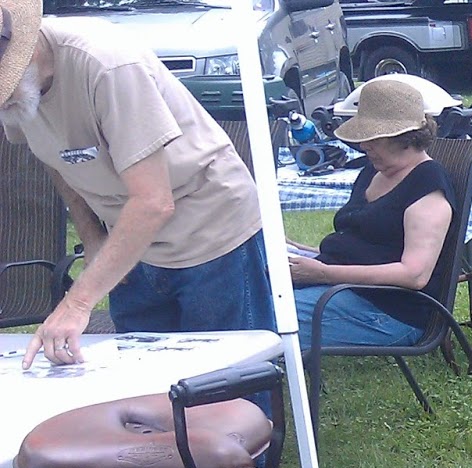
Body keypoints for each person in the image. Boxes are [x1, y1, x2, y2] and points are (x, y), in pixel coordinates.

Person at [0, 0, 272, 370]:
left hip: (210, 231)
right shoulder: (17, 96)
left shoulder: (107, 65)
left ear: (25, 49)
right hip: (129, 243)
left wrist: (77, 304)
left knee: (227, 390)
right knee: (146, 390)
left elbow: (153, 202)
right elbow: (58, 161)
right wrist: (94, 239)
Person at [288, 77, 456, 348]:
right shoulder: (373, 171)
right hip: (344, 291)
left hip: (388, 313)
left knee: (263, 315)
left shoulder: (427, 187)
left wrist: (323, 273)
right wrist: (300, 251)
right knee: (251, 297)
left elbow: (414, 275)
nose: (364, 146)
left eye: (372, 138)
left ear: (404, 137)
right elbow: (365, 244)